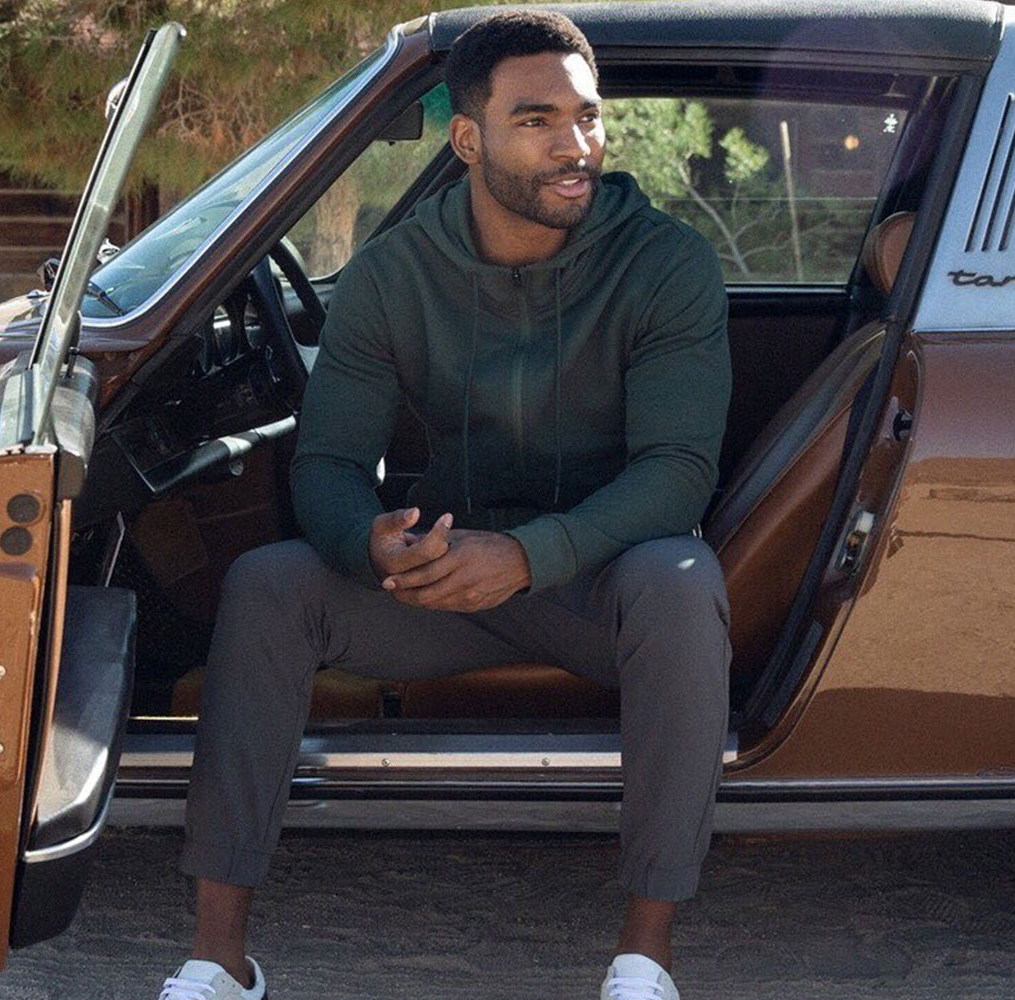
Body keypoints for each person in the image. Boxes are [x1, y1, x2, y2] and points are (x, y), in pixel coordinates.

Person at [157, 10, 733, 1000]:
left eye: (588, 118)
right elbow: (330, 463)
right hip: (442, 583)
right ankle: (219, 960)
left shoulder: (665, 262)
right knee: (269, 583)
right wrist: (370, 538)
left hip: (598, 586)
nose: (576, 144)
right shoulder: (392, 274)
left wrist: (529, 554)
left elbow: (678, 471)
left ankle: (645, 961)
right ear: (468, 140)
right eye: (538, 120)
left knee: (683, 578)